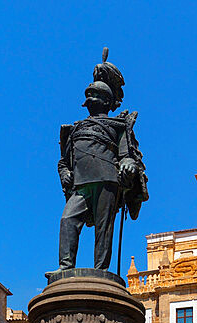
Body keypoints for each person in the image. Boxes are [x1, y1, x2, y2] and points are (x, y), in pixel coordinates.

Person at [55, 51, 147, 273]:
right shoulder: (75, 129)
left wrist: (129, 165)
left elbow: (128, 155)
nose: (89, 100)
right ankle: (65, 267)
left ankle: (101, 271)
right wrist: (65, 173)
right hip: (81, 183)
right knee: (68, 219)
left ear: (106, 101)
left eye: (94, 95)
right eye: (88, 95)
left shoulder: (117, 127)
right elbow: (64, 161)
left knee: (104, 229)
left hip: (107, 179)